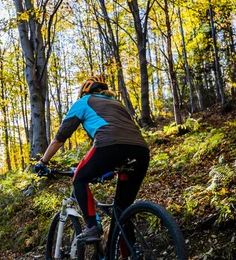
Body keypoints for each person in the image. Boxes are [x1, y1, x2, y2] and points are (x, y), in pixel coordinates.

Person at [35, 75, 150, 244]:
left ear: (84, 91)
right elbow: (124, 135)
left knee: (80, 178)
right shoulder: (118, 104)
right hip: (141, 151)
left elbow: (59, 139)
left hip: (109, 146)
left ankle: (92, 227)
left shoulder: (83, 102)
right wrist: (108, 168)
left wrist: (42, 163)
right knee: (121, 212)